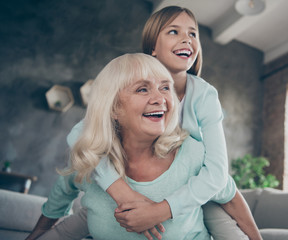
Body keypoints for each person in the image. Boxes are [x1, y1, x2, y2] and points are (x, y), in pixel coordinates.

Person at [28, 6, 262, 240]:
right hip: (117, 188)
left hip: (199, 189)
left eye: (193, 34)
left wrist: (160, 211)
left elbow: (218, 178)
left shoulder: (203, 97)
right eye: (173, 31)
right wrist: (121, 192)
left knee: (220, 214)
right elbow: (81, 136)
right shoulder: (123, 89)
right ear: (153, 48)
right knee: (94, 208)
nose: (186, 39)